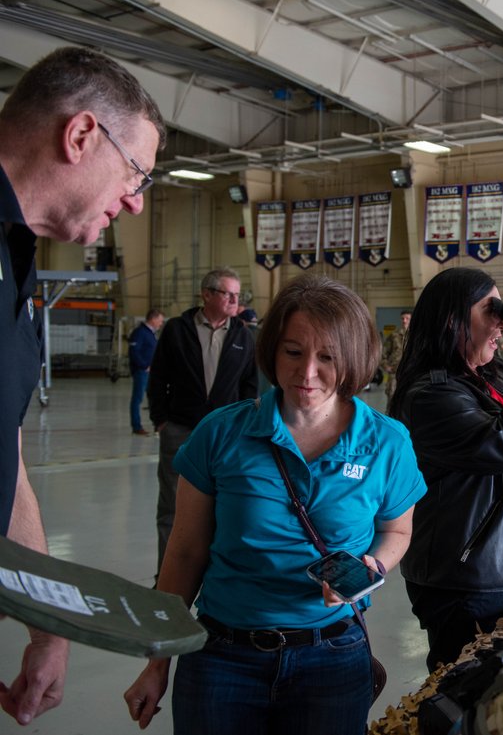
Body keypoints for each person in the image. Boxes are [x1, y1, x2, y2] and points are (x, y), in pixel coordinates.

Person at [123, 274, 425, 735]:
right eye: (293, 352)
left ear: (354, 358)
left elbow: (397, 532)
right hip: (221, 659)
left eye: (327, 357)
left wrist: (373, 567)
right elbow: (183, 553)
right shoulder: (220, 433)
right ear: (272, 351)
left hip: (332, 658)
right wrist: (156, 660)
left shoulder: (387, 442)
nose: (306, 373)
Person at [0, 46, 164, 726]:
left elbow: (3, 456)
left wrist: (50, 623)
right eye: (137, 175)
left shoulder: (17, 258)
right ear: (81, 135)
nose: (132, 205)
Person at [389, 268, 503, 670]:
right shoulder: (431, 393)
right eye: (491, 311)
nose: (502, 323)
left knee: (502, 691)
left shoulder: (490, 373)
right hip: (467, 578)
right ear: (453, 320)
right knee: (461, 692)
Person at [147, 268, 258, 572]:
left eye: (238, 295)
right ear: (206, 294)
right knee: (172, 507)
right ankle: (167, 577)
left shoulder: (243, 336)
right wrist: (161, 420)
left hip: (226, 435)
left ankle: (212, 575)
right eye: (228, 294)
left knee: (227, 505)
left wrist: (243, 426)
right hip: (180, 429)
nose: (236, 300)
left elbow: (250, 385)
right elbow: (158, 378)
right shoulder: (176, 329)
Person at [129, 309, 165, 435]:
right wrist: (144, 366)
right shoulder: (140, 333)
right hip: (142, 372)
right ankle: (136, 426)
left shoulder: (150, 333)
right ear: (153, 319)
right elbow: (134, 352)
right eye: (160, 321)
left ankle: (157, 424)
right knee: (137, 399)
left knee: (154, 398)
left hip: (151, 372)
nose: (161, 324)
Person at [380, 311, 411, 402]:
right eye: (402, 318)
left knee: (409, 400)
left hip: (411, 374)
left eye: (407, 318)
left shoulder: (416, 336)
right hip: (394, 374)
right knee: (392, 400)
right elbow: (383, 353)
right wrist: (386, 366)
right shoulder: (394, 335)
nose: (404, 321)